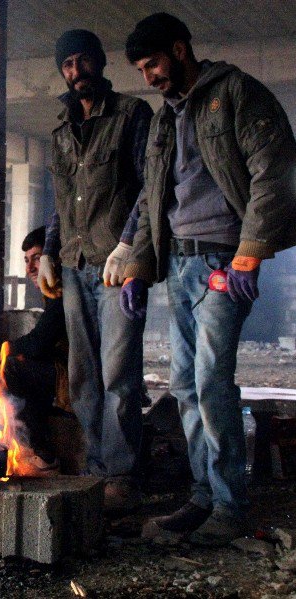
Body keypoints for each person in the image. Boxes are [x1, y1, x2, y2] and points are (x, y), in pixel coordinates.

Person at [121, 13, 296, 545]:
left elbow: (275, 170)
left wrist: (250, 252)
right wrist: (136, 265)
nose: (149, 76)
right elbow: (154, 196)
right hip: (179, 265)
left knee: (212, 381)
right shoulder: (162, 119)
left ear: (180, 49)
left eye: (153, 63)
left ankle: (228, 506)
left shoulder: (237, 93)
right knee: (185, 386)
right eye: (142, 69)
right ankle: (204, 495)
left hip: (223, 263)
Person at [38, 29, 153, 510]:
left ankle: (121, 475)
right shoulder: (60, 130)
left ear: (100, 64)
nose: (75, 70)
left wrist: (130, 248)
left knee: (119, 375)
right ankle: (98, 469)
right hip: (75, 266)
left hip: (117, 265)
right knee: (84, 378)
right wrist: (48, 249)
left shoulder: (131, 115)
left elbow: (151, 188)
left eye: (84, 61)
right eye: (67, 64)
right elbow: (61, 201)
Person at [0, 226, 68, 473]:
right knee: (16, 363)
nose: (31, 268)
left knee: (13, 367)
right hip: (65, 371)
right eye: (26, 260)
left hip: (75, 378)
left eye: (36, 258)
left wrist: (0, 350)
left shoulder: (63, 291)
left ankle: (44, 453)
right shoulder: (54, 291)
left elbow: (38, 342)